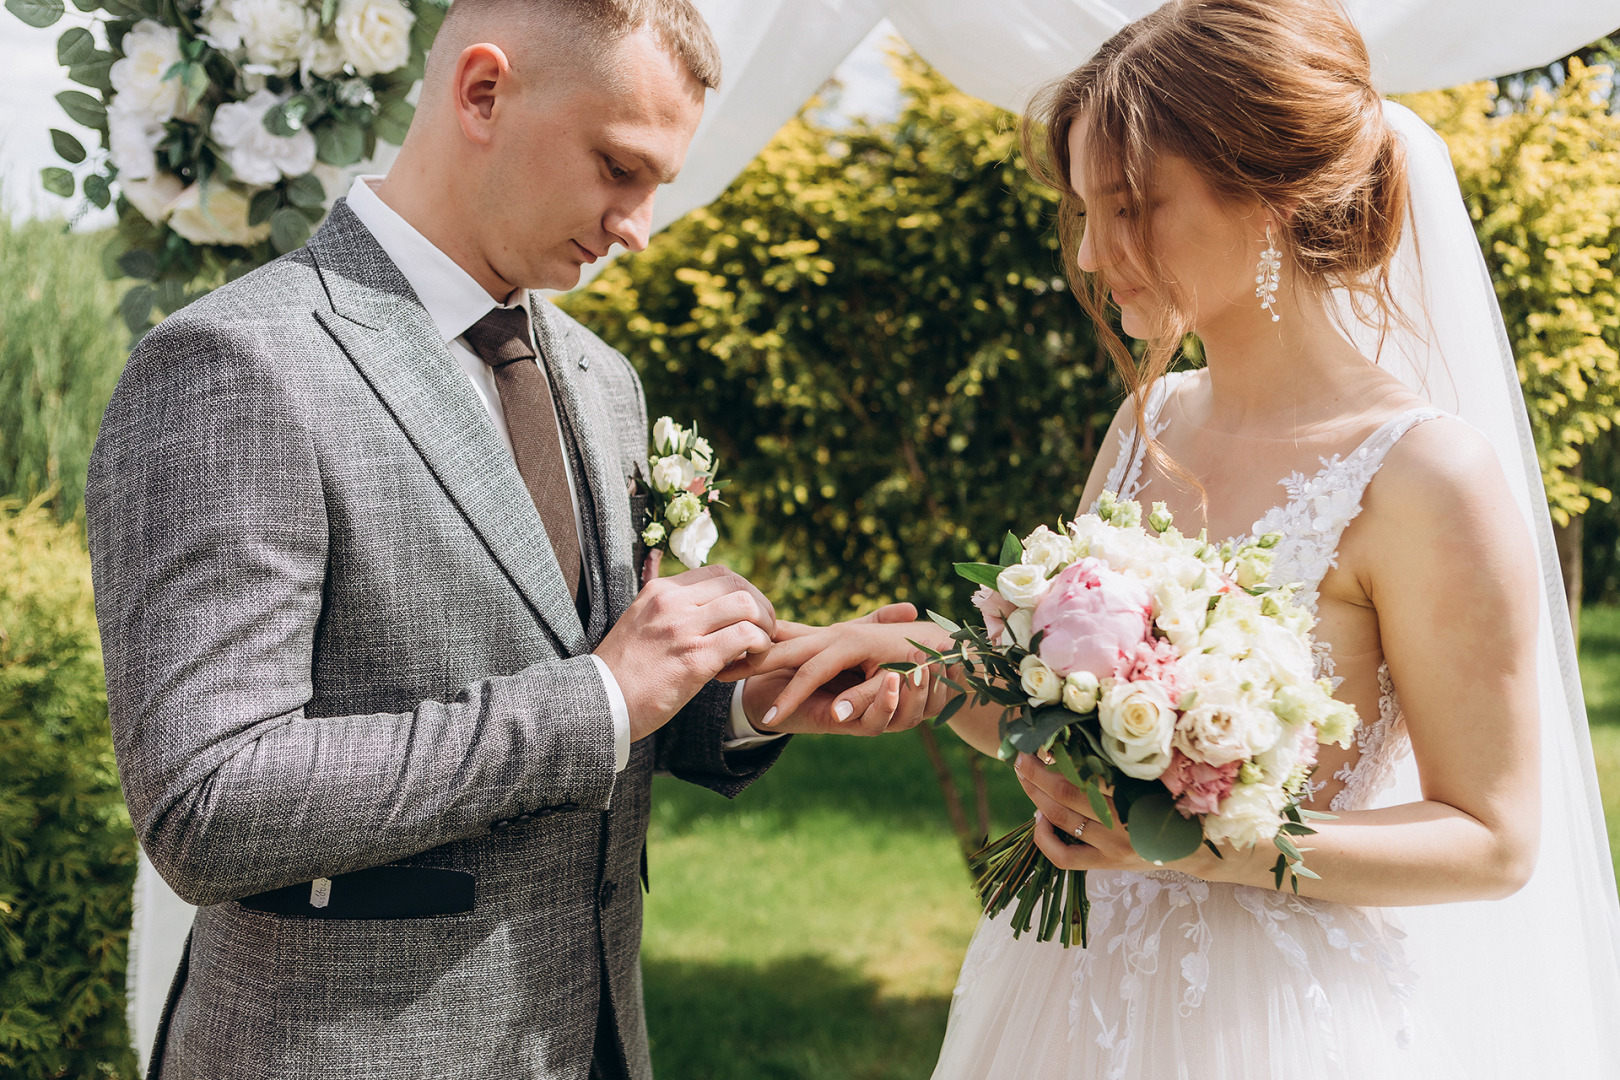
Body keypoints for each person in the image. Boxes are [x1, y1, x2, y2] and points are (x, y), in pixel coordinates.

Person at [732, 0, 1620, 1074]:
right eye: (1084, 211)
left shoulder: (1425, 477)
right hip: (1073, 990)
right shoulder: (1154, 418)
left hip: (1272, 1026)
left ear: (1268, 198)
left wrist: (1207, 851)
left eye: (1133, 207)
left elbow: (1493, 841)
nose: (1098, 254)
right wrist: (929, 664)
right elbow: (1082, 732)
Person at [86, 2, 919, 1077]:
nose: (639, 226)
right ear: (483, 92)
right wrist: (604, 699)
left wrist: (750, 695)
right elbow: (210, 802)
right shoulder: (237, 365)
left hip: (594, 1038)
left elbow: (596, 674)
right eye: (619, 167)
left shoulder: (601, 379)